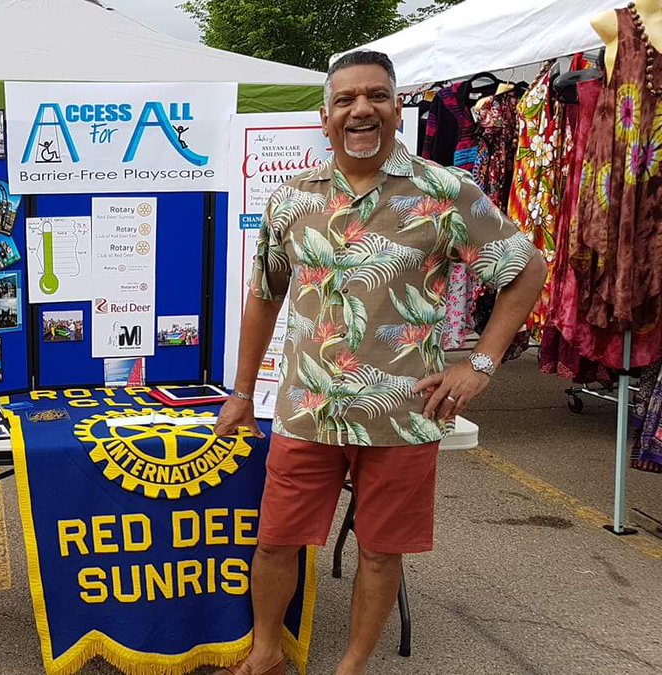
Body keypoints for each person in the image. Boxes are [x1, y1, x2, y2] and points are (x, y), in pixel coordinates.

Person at [213, 50, 547, 675]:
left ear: (397, 108)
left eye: (375, 96)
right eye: (345, 100)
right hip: (306, 410)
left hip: (403, 414)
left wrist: (479, 363)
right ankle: (265, 654)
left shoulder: (444, 193)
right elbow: (264, 295)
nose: (360, 109)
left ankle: (352, 666)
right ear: (326, 116)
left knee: (379, 551)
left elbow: (526, 270)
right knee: (276, 541)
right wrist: (239, 390)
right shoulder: (291, 201)